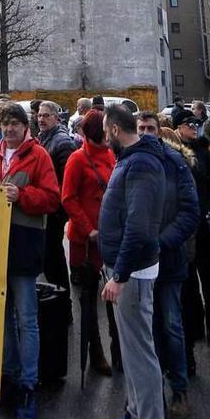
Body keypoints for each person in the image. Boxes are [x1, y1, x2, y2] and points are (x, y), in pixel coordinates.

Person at [97, 104, 172, 419]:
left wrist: (120, 275)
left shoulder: (141, 163)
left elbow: (140, 227)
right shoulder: (132, 159)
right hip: (124, 268)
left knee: (141, 357)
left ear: (112, 129)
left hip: (133, 275)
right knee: (131, 351)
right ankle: (135, 417)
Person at [0, 102, 60, 419]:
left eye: (15, 123)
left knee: (26, 319)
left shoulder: (38, 155)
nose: (10, 128)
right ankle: (8, 376)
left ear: (25, 127)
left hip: (24, 247)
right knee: (2, 319)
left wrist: (22, 196)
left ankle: (28, 384)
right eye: (5, 123)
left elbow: (52, 199)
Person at [146, 112, 200, 419]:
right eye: (141, 128)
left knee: (171, 325)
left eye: (151, 128)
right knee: (149, 328)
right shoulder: (132, 162)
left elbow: (189, 213)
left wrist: (163, 242)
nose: (147, 133)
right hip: (142, 264)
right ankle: (152, 389)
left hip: (169, 260)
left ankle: (179, 389)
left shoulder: (177, 164)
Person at [62, 109, 118, 377]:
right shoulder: (77, 159)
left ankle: (117, 349)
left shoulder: (109, 155)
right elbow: (68, 199)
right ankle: (96, 353)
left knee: (112, 295)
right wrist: (88, 229)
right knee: (88, 300)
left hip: (107, 236)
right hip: (85, 241)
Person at [174, 111, 210, 360]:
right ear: (178, 128)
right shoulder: (175, 154)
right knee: (189, 286)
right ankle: (194, 330)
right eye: (188, 124)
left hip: (203, 226)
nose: (194, 127)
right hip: (185, 229)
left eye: (196, 123)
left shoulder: (205, 151)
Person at [37, 101, 77, 290]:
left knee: (54, 257)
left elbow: (68, 181)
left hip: (55, 210)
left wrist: (58, 209)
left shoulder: (62, 142)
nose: (41, 119)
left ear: (56, 117)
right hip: (46, 208)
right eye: (39, 115)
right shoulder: (43, 137)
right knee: (48, 256)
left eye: (46, 115)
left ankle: (63, 302)